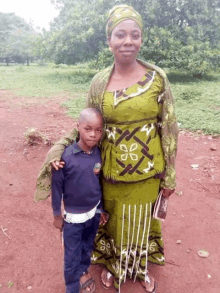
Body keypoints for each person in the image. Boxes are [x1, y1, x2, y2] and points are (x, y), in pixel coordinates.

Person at [34, 5, 178, 293]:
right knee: (112, 221)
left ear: (141, 39)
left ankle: (139, 269)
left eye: (135, 35)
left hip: (148, 173)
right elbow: (87, 126)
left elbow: (169, 127)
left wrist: (171, 174)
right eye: (120, 34)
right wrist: (59, 150)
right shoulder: (99, 82)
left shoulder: (158, 78)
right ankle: (114, 266)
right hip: (110, 172)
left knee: (140, 223)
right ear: (109, 41)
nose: (128, 41)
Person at [51, 108, 108, 293]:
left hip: (92, 215)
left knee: (87, 246)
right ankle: (72, 288)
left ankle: (83, 270)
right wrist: (57, 215)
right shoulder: (65, 158)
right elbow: (57, 189)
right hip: (73, 220)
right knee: (71, 256)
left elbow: (96, 185)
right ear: (78, 128)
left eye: (98, 130)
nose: (93, 134)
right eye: (88, 129)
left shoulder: (98, 154)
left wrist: (100, 209)